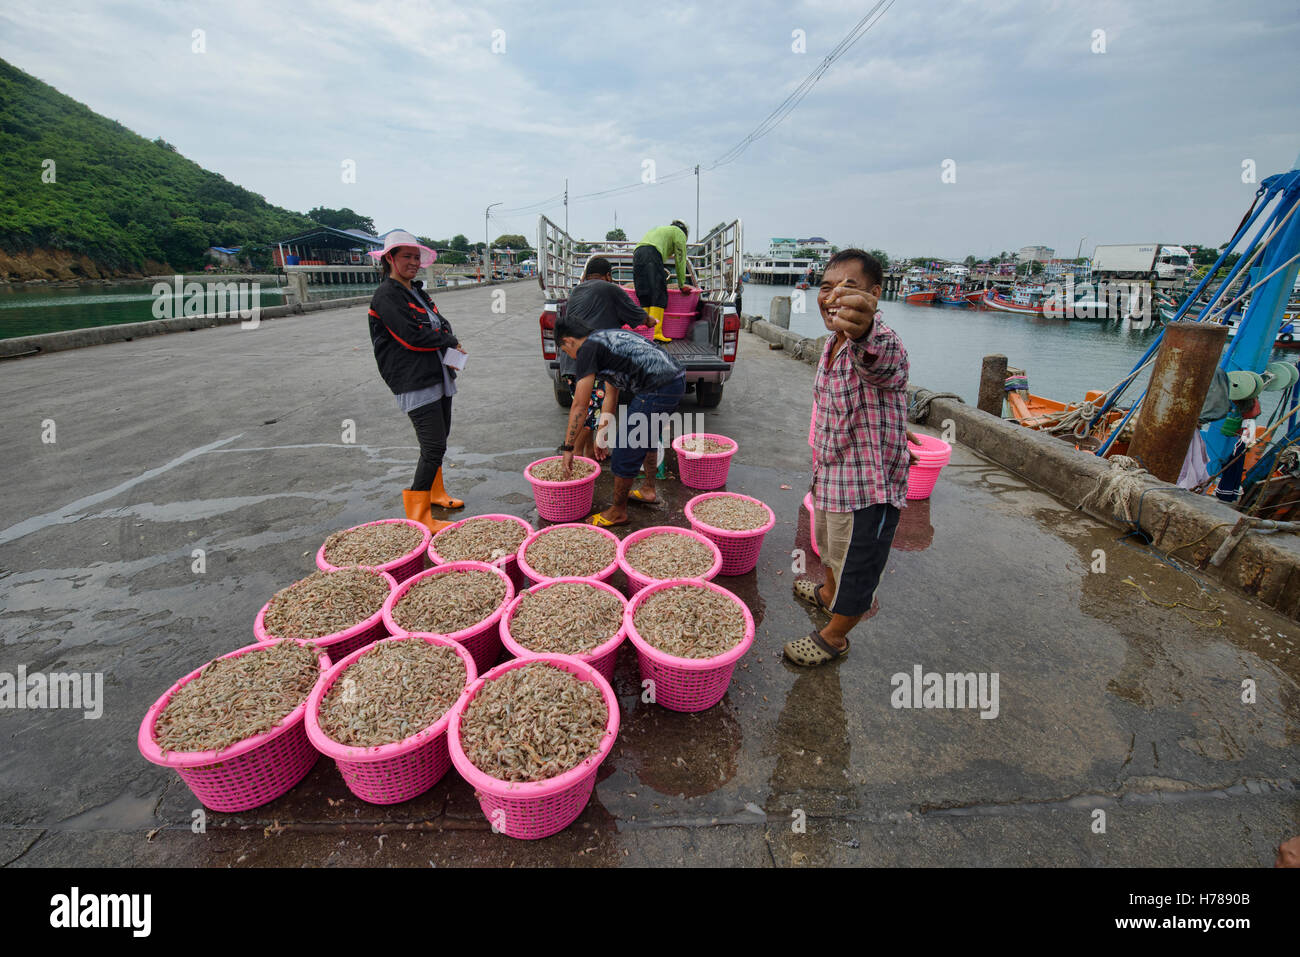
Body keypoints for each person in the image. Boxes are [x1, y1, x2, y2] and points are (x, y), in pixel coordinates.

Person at [785, 248, 910, 667]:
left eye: (848, 288)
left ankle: (835, 637)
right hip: (830, 476)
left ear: (875, 294)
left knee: (858, 568)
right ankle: (825, 593)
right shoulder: (831, 343)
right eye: (826, 287)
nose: (833, 296)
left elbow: (881, 359)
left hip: (866, 491)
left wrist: (863, 331)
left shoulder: (875, 340)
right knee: (830, 551)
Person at [366, 230, 467, 532]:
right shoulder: (386, 295)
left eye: (416, 257)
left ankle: (436, 493)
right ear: (389, 259)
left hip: (437, 373)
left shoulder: (416, 291)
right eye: (406, 257)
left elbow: (439, 322)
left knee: (441, 440)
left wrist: (448, 342)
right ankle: (419, 515)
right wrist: (449, 339)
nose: (413, 262)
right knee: (432, 446)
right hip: (413, 379)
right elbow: (411, 336)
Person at [554, 317, 685, 526]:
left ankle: (617, 512)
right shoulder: (605, 339)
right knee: (645, 437)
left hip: (658, 386)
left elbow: (580, 404)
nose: (569, 356)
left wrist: (568, 447)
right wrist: (602, 435)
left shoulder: (587, 349)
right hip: (675, 380)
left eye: (564, 350)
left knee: (625, 448)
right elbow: (610, 394)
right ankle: (648, 490)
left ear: (568, 341)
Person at [558, 257, 651, 459]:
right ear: (608, 275)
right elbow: (640, 317)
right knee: (589, 412)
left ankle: (590, 452)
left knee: (589, 405)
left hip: (570, 359)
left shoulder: (576, 291)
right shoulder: (611, 289)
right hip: (593, 359)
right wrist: (653, 320)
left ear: (586, 275)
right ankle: (575, 456)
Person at [633, 220, 691, 342]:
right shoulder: (679, 233)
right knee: (658, 292)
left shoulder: (661, 230)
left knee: (644, 293)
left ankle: (645, 332)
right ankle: (655, 332)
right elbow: (680, 260)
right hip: (651, 254)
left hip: (637, 253)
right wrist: (681, 284)